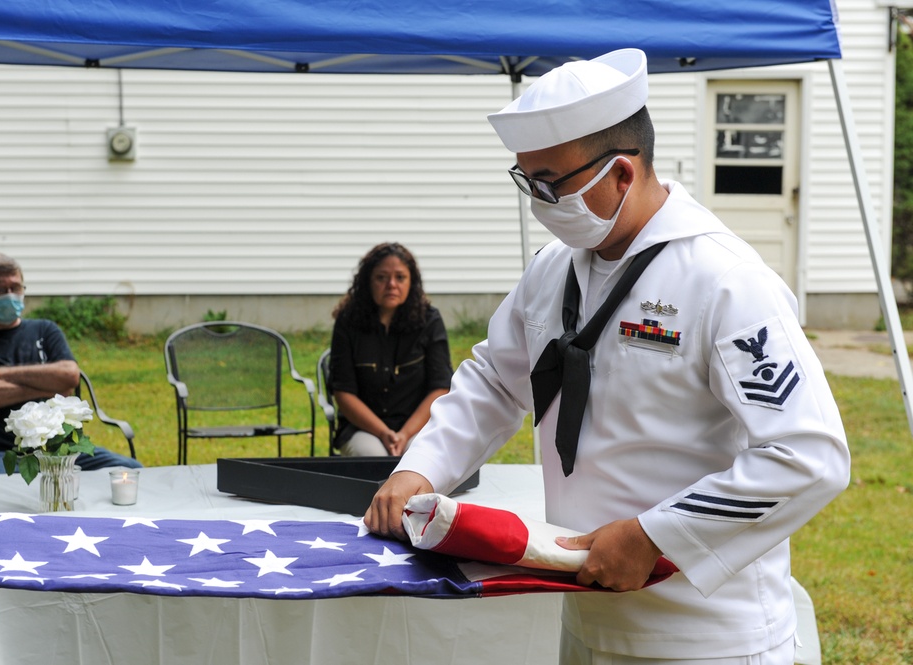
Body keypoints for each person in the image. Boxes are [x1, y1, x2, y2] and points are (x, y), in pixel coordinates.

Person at [365, 49, 849, 664]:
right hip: (588, 614)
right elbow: (494, 380)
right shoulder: (554, 269)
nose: (539, 201)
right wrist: (422, 467)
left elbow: (808, 455)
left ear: (622, 173)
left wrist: (656, 536)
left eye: (552, 184)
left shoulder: (723, 281)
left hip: (706, 634)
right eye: (527, 181)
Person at [0, 252, 143, 476]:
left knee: (133, 471)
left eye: (15, 288)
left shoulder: (45, 330)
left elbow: (69, 377)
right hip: (0, 453)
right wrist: (50, 386)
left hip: (63, 449)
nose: (9, 295)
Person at [329, 242, 453, 456]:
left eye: (400, 277)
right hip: (363, 429)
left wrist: (404, 433)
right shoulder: (348, 322)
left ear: (411, 282)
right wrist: (383, 432)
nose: (391, 285)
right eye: (381, 277)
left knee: (419, 457)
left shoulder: (429, 321)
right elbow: (343, 393)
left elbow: (440, 387)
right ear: (368, 281)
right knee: (372, 458)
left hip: (417, 426)